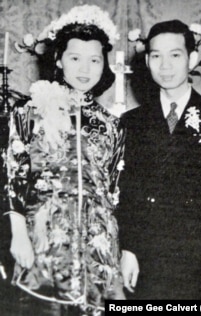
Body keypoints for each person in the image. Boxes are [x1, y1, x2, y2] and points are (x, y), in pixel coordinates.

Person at [5, 4, 125, 315]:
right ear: (59, 59)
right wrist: (18, 233)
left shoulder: (112, 125)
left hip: (98, 255)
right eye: (75, 58)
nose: (84, 68)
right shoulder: (30, 112)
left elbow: (116, 192)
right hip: (44, 249)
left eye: (94, 60)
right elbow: (12, 177)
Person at [117, 20, 201, 300]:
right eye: (156, 56)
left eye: (174, 55)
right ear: (147, 61)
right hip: (147, 260)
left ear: (192, 58)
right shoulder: (132, 122)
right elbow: (127, 192)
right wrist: (128, 248)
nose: (164, 65)